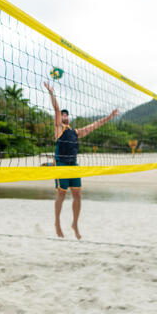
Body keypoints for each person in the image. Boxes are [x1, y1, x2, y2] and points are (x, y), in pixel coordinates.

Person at [44, 82, 119, 239]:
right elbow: (56, 109)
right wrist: (52, 93)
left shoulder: (75, 132)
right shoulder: (59, 129)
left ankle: (74, 224)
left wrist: (110, 117)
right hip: (61, 165)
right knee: (61, 195)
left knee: (78, 195)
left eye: (66, 114)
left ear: (69, 117)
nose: (64, 115)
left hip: (74, 166)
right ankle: (57, 222)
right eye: (62, 114)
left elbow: (94, 125)